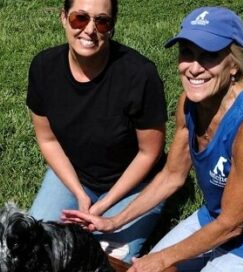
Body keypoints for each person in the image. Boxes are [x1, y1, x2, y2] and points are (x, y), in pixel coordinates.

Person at [62, 6, 243, 272]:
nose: (194, 69)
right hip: (214, 218)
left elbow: (232, 224)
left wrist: (163, 258)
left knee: (157, 265)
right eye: (187, 53)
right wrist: (114, 221)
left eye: (209, 56)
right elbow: (172, 176)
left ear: (234, 64)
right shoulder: (188, 104)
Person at [25, 0, 168, 263]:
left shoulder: (139, 74)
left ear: (111, 27)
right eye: (80, 18)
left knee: (99, 258)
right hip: (75, 175)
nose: (90, 30)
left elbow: (150, 152)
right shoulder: (44, 68)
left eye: (102, 21)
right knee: (37, 246)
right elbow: (48, 140)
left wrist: (102, 207)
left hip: (136, 183)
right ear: (63, 18)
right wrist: (79, 194)